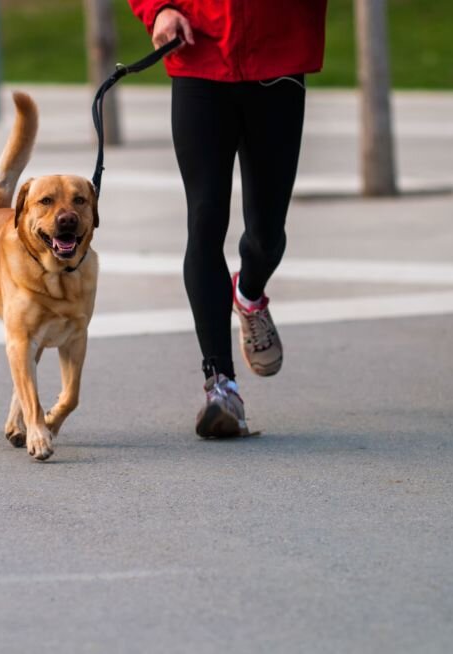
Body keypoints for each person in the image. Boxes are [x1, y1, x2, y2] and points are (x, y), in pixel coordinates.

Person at [127, 0, 328, 438]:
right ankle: (221, 386)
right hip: (198, 60)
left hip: (278, 62)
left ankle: (250, 293)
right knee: (204, 222)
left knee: (266, 234)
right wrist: (158, 10)